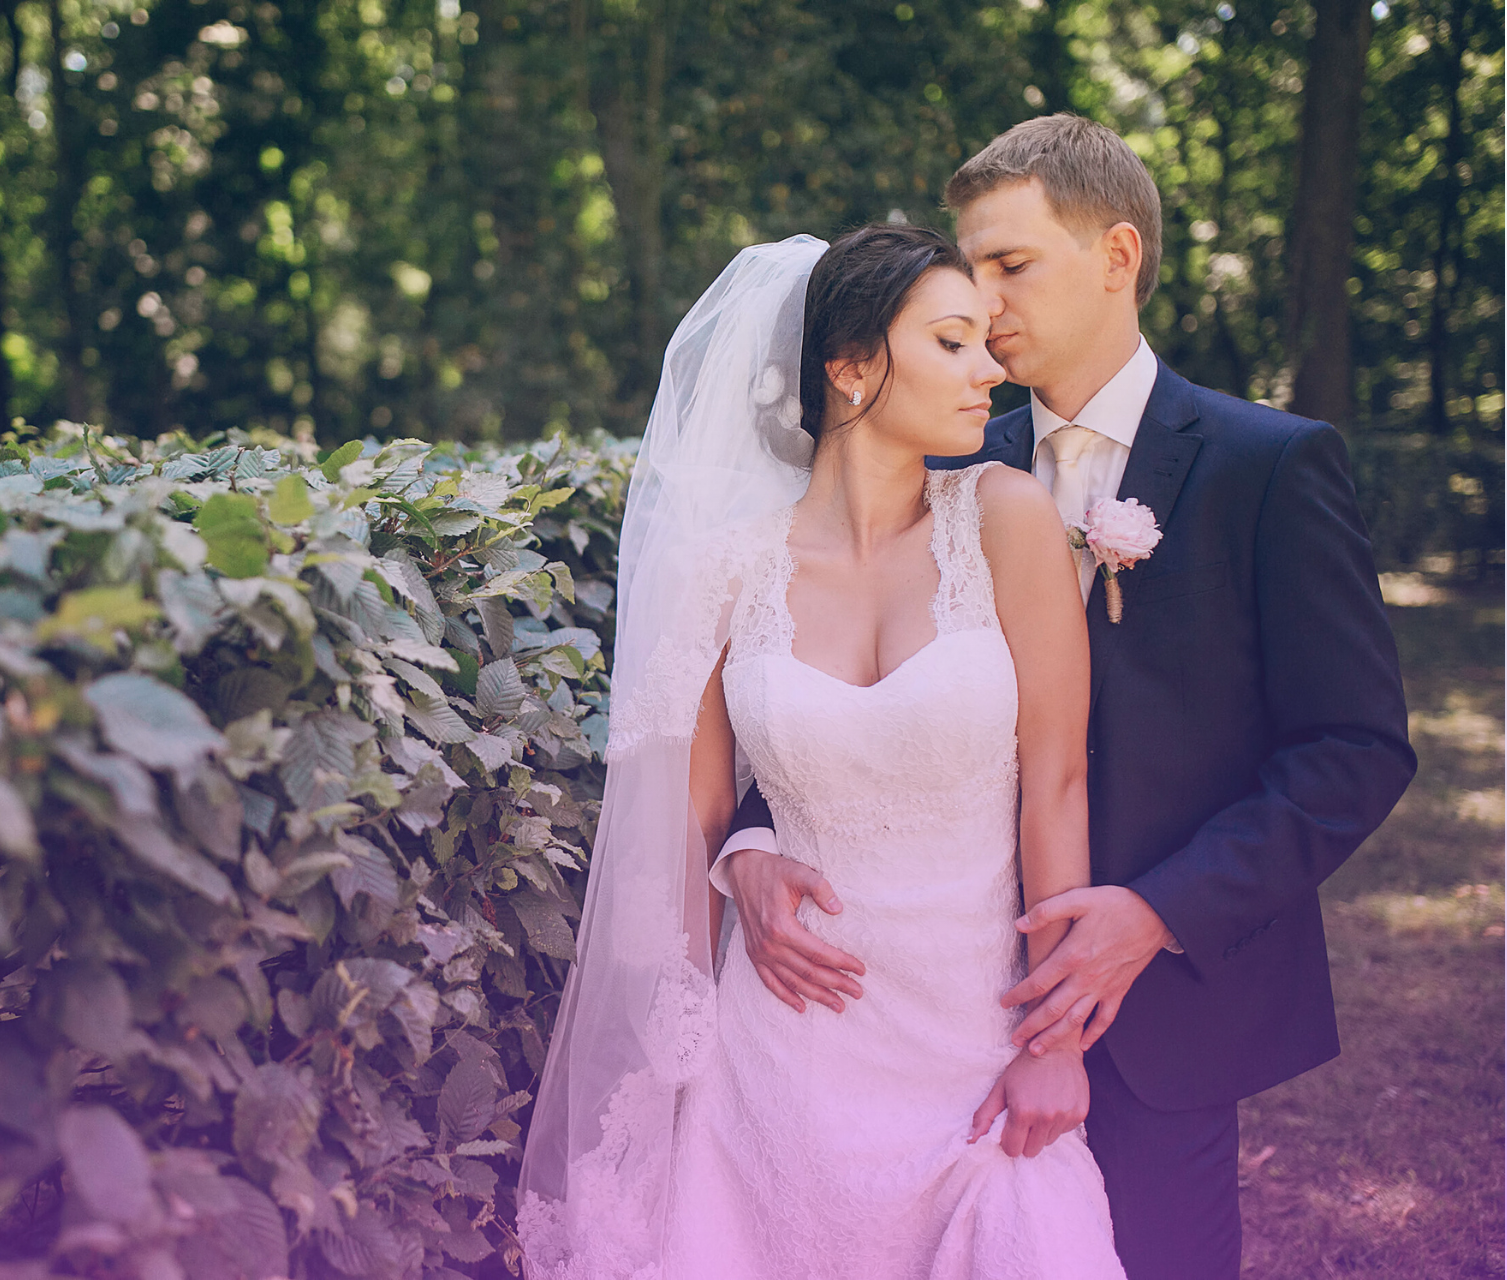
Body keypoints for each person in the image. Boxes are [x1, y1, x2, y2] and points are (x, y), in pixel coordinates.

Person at [713, 115, 1416, 1279]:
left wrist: (1157, 910)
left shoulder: (1269, 466)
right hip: (921, 1013)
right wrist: (745, 843)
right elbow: (809, 687)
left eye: (1011, 265)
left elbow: (1354, 747)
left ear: (1118, 255)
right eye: (969, 270)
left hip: (1167, 1010)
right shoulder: (931, 452)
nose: (983, 306)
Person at [518, 224, 1127, 1279]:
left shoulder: (1007, 518)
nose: (990, 369)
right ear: (850, 368)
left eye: (987, 340)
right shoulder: (728, 568)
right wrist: (729, 893)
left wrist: (1053, 1037)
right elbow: (696, 824)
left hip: (975, 1044)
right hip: (779, 1050)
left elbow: (1057, 787)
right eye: (951, 340)